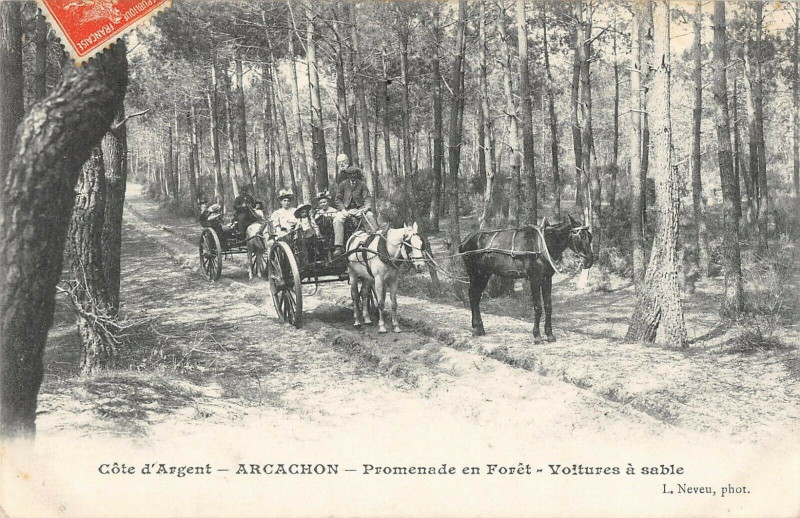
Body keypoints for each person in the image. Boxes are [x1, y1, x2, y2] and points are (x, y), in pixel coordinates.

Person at [333, 154, 377, 255]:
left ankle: (376, 237)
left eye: (354, 174)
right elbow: (338, 199)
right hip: (346, 210)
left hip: (359, 209)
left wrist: (366, 208)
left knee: (369, 215)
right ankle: (339, 246)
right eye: (350, 175)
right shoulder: (342, 184)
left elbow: (367, 197)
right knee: (337, 219)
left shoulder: (362, 184)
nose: (352, 176)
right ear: (347, 175)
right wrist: (343, 210)